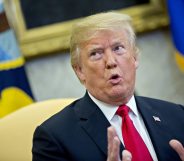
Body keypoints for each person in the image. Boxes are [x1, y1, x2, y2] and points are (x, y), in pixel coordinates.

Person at [32, 12, 184, 161]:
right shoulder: (54, 138)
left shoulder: (177, 115)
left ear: (135, 58)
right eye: (96, 53)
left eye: (118, 48)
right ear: (79, 70)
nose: (111, 61)